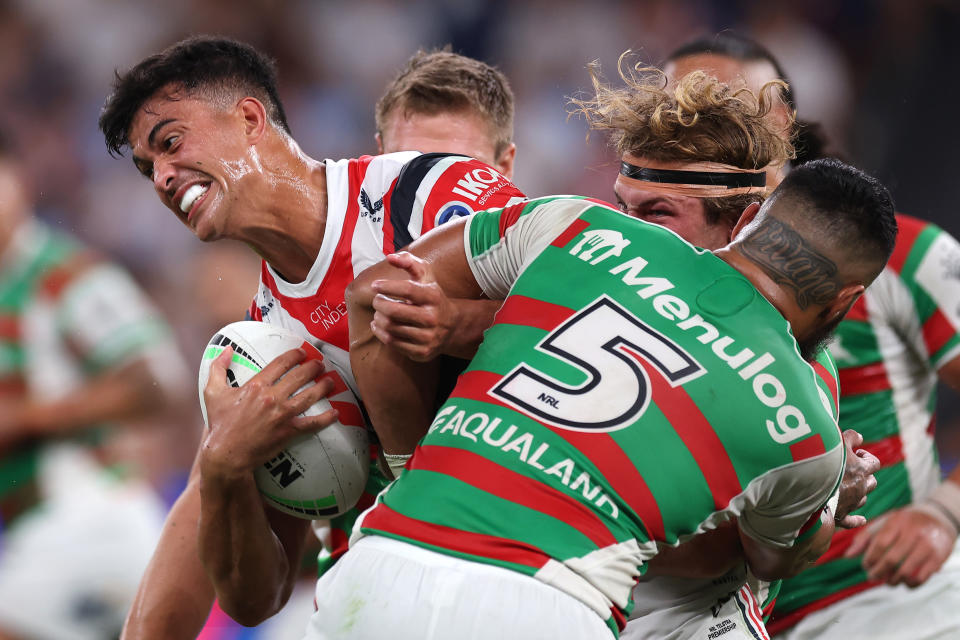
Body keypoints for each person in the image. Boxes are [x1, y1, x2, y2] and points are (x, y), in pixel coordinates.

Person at [337, 142, 896, 638]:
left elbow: (378, 290)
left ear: (744, 218)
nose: (638, 220)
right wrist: (828, 502)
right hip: (548, 602)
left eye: (656, 211)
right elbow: (768, 558)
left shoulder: (578, 226)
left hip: (383, 560)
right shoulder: (805, 422)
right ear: (845, 301)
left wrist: (413, 467)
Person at [98, 36, 526, 638]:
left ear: (250, 119)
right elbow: (257, 598)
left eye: (170, 143)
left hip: (521, 560)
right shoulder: (264, 344)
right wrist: (225, 465)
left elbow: (589, 302)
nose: (163, 177)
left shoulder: (431, 192)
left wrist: (455, 325)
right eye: (148, 169)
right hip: (374, 600)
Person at [661, 33, 960, 640]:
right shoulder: (634, 262)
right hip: (712, 617)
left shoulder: (892, 256)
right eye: (679, 114)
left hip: (890, 606)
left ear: (782, 126)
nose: (701, 135)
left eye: (728, 114)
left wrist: (943, 512)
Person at [0, 130, 189, 640]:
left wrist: (26, 418)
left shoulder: (63, 275)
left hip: (87, 522)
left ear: (19, 179)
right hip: (33, 535)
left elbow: (159, 382)